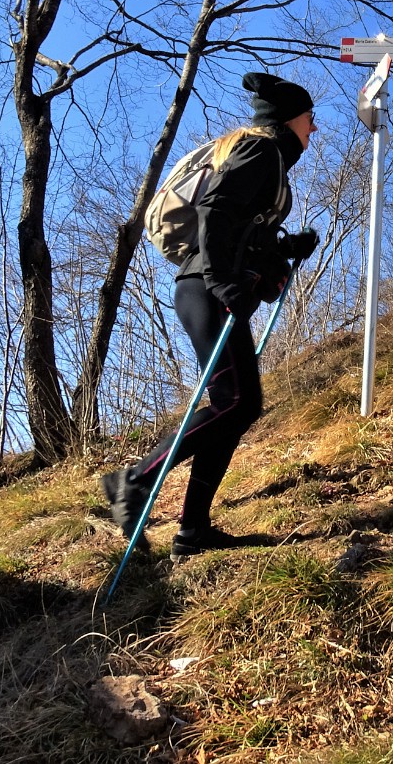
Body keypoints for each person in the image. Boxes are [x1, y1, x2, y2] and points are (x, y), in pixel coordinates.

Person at [102, 72, 320, 560]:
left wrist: (284, 251)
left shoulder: (265, 160)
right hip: (207, 287)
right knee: (235, 402)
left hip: (206, 287)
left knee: (236, 405)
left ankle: (193, 530)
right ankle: (132, 481)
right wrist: (225, 282)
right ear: (290, 118)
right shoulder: (261, 151)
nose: (314, 129)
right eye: (310, 118)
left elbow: (241, 232)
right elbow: (216, 212)